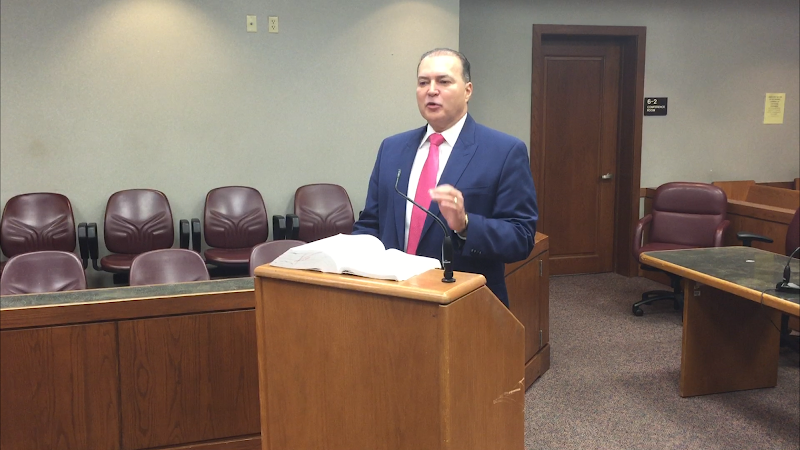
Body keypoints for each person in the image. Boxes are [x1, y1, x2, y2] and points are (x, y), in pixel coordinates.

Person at [352, 48, 538, 307]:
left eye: (443, 81)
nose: (431, 90)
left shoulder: (504, 151)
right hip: (390, 302)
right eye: (423, 82)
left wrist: (466, 225)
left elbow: (521, 238)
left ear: (468, 90)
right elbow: (370, 224)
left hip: (464, 307)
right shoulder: (392, 149)